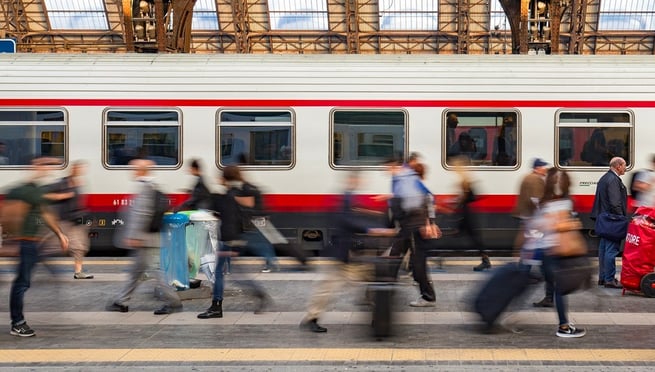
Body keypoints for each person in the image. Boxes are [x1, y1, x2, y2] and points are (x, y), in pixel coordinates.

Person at [300, 171, 388, 333]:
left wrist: (368, 214)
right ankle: (311, 318)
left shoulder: (348, 197)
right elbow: (347, 220)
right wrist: (371, 229)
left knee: (368, 278)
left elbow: (353, 215)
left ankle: (377, 315)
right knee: (327, 286)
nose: (360, 182)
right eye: (357, 179)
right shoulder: (344, 198)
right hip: (338, 254)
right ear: (351, 180)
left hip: (346, 253)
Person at [106, 159, 183, 315]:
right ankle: (121, 301)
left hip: (145, 238)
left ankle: (174, 302)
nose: (132, 171)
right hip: (148, 237)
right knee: (136, 271)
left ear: (142, 170)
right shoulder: (152, 186)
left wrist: (134, 235)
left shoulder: (145, 187)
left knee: (157, 272)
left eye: (134, 168)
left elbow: (142, 214)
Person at [196, 166, 272, 319]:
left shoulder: (228, 197)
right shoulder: (240, 194)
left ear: (225, 178)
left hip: (228, 240)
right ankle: (258, 294)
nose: (218, 179)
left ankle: (217, 306)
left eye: (220, 177)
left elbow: (227, 218)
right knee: (235, 273)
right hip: (237, 238)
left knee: (220, 273)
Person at [8, 157, 69, 337]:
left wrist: (60, 234)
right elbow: (12, 216)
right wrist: (15, 240)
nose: (47, 169)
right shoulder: (22, 191)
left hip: (33, 242)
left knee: (22, 282)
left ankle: (17, 321)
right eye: (44, 165)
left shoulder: (36, 191)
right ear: (34, 166)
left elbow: (44, 213)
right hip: (24, 242)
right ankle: (17, 323)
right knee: (21, 283)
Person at [530, 168, 587, 338]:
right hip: (558, 251)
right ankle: (563, 326)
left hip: (546, 250)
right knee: (561, 289)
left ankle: (563, 323)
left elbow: (538, 226)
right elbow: (560, 225)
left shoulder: (543, 202)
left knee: (553, 286)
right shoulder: (565, 203)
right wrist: (573, 224)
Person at [40, 160, 93, 279]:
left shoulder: (79, 183)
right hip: (64, 220)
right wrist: (59, 196)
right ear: (72, 169)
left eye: (81, 169)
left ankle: (78, 272)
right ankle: (35, 258)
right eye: (78, 168)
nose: (80, 171)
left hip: (77, 220)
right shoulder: (61, 183)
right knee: (53, 245)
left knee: (79, 247)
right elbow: (41, 193)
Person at [591, 156, 628, 289]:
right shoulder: (613, 180)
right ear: (618, 166)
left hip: (605, 219)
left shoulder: (605, 178)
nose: (625, 168)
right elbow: (615, 203)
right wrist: (621, 219)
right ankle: (610, 279)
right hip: (612, 221)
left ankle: (603, 277)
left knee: (604, 249)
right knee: (611, 250)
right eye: (624, 165)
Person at [450, 156, 489, 271]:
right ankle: (485, 260)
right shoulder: (465, 180)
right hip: (466, 213)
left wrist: (457, 202)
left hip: (466, 214)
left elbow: (467, 197)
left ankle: (485, 260)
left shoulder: (465, 181)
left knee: (473, 238)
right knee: (473, 238)